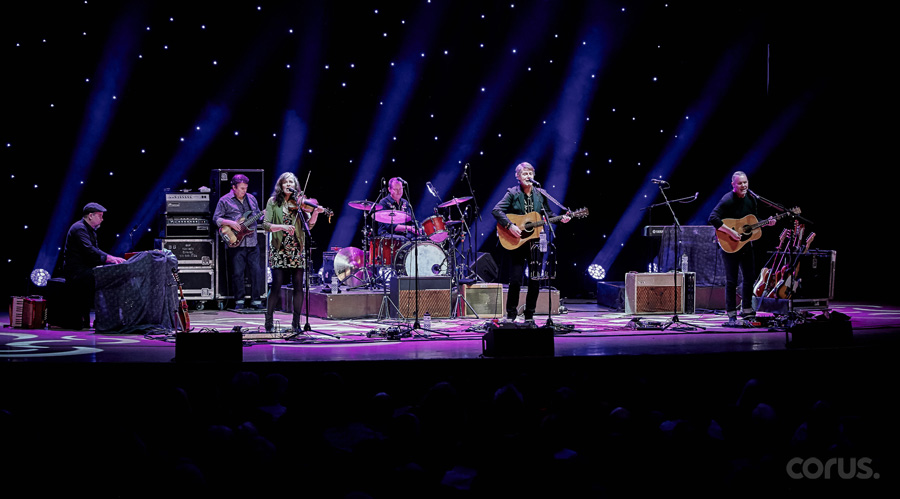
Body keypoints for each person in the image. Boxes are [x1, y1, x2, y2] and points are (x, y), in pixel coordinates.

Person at [492, 162, 569, 323]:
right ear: (518, 176)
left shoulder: (541, 193)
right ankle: (511, 315)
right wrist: (510, 225)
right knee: (515, 280)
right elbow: (496, 210)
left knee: (535, 280)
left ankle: (529, 315)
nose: (528, 176)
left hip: (535, 241)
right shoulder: (512, 193)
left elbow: (548, 214)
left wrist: (562, 219)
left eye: (530, 173)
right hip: (517, 242)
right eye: (525, 174)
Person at [708, 171, 775, 325]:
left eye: (745, 182)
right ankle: (731, 313)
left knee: (749, 278)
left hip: (745, 245)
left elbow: (753, 221)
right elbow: (713, 218)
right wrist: (730, 231)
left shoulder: (752, 200)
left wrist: (768, 222)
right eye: (740, 183)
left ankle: (746, 310)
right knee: (731, 280)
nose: (743, 185)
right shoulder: (727, 199)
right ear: (733, 185)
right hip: (729, 245)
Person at [263, 172, 326, 332]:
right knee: (276, 284)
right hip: (279, 248)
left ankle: (296, 323)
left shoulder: (299, 204)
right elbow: (266, 225)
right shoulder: (273, 202)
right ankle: (269, 322)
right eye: (286, 182)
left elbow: (309, 226)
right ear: (281, 184)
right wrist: (283, 227)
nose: (288, 184)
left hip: (297, 249)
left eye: (291, 182)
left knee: (298, 286)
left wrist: (316, 214)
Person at [62, 202, 127, 328]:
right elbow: (90, 251)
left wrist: (111, 258)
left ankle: (108, 318)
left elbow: (95, 251)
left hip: (85, 269)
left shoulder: (90, 231)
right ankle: (106, 319)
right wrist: (109, 258)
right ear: (91, 215)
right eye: (100, 215)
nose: (102, 219)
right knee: (109, 279)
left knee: (111, 274)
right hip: (76, 272)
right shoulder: (79, 228)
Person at [214, 174, 264, 310]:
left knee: (256, 271)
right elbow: (216, 219)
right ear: (234, 187)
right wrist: (230, 222)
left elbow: (258, 215)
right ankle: (239, 301)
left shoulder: (252, 199)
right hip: (236, 241)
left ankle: (256, 301)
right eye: (241, 188)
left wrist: (264, 216)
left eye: (246, 188)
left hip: (252, 241)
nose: (244, 191)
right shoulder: (224, 200)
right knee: (238, 272)